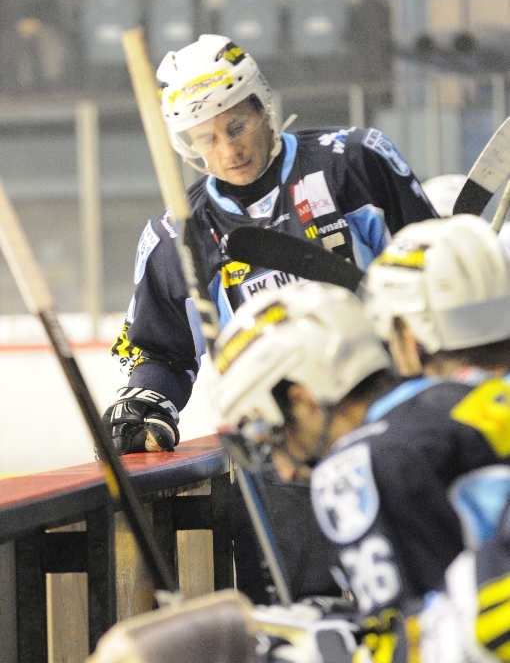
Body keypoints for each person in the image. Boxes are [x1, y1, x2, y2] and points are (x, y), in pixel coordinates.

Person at [105, 33, 436, 457]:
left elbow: (431, 272)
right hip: (279, 447)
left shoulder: (354, 162)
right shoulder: (177, 236)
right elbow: (160, 351)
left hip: (390, 412)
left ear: (263, 107)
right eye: (206, 139)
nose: (228, 151)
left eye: (236, 127)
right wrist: (146, 403)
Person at [212, 215, 510, 654]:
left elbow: (408, 644)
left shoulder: (356, 465)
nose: (284, 470)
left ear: (304, 400)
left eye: (273, 434)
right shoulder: (472, 401)